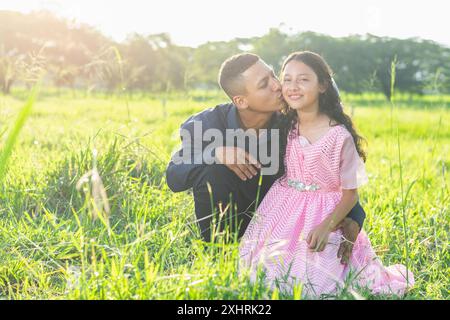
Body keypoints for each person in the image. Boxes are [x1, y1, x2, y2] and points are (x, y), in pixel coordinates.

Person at [239, 51, 414, 298]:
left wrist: (326, 226)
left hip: (323, 213)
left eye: (303, 80)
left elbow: (351, 194)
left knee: (316, 283)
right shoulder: (285, 124)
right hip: (282, 209)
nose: (293, 87)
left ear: (322, 85)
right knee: (259, 273)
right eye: (287, 79)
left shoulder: (338, 136)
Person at [166, 53, 366, 264]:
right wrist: (215, 153)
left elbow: (329, 174)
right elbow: (174, 177)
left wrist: (355, 217)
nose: (276, 86)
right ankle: (219, 258)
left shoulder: (294, 123)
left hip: (281, 226)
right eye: (264, 84)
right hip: (231, 224)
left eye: (272, 75)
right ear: (241, 101)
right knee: (212, 169)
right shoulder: (209, 123)